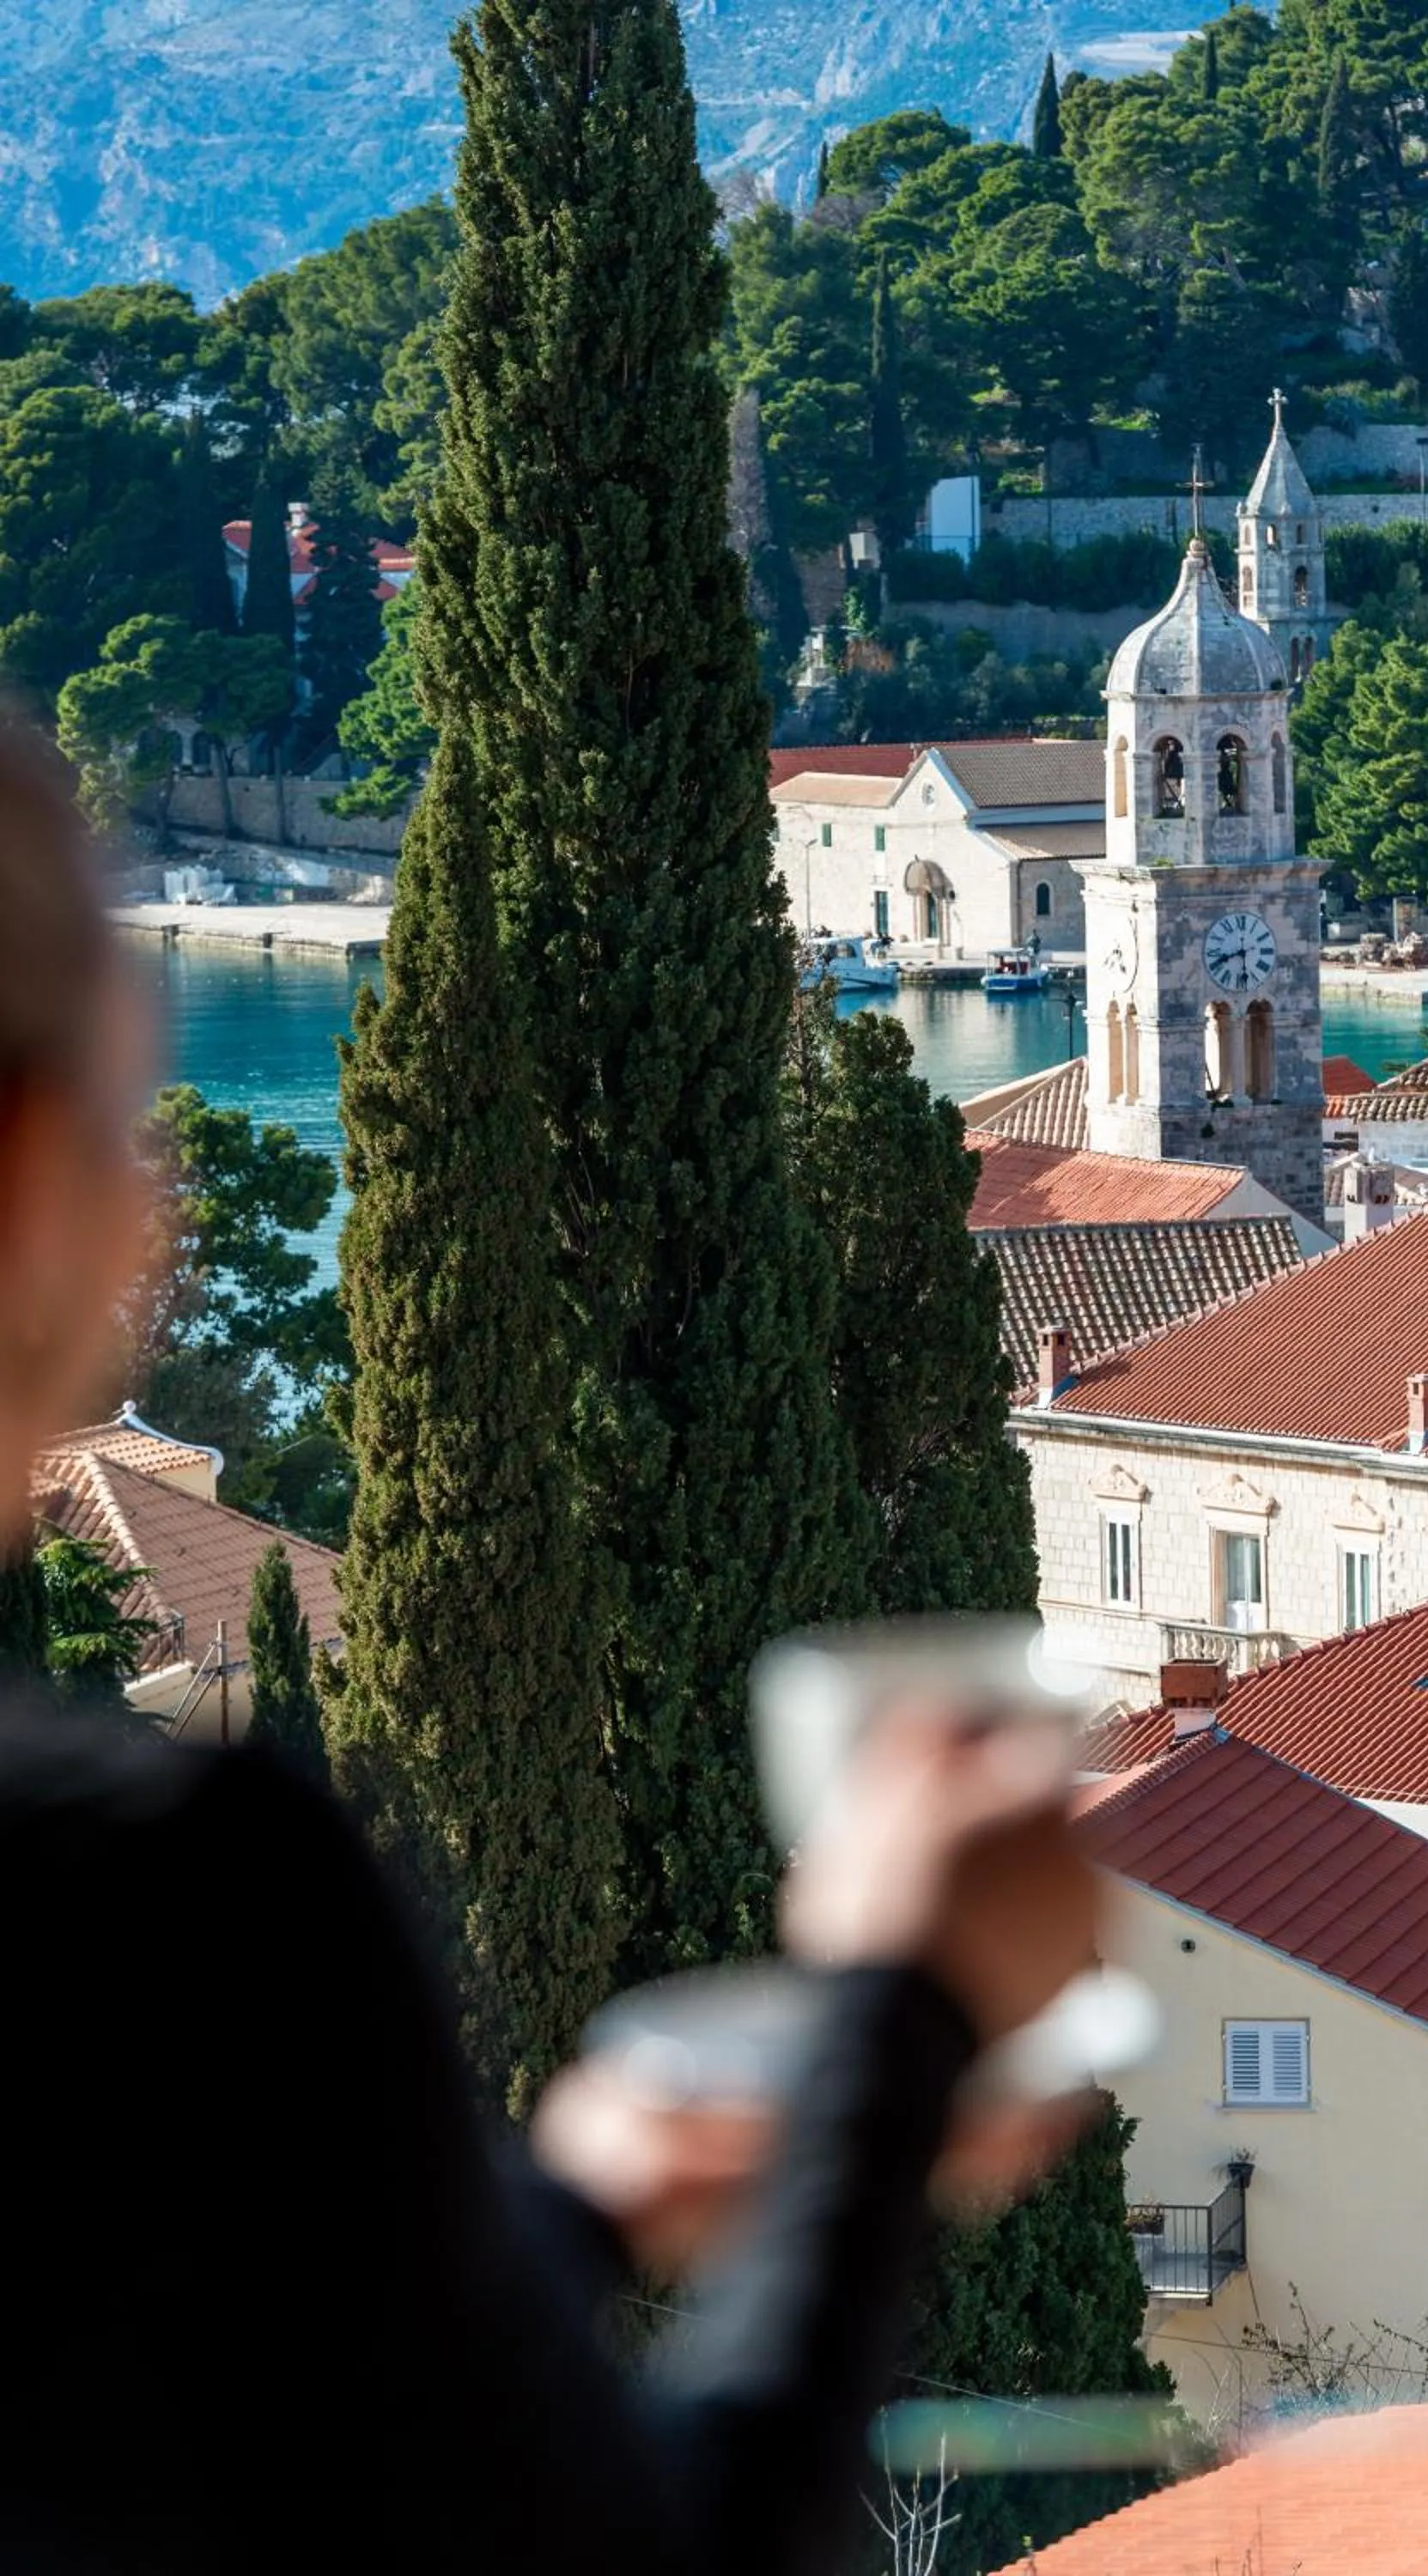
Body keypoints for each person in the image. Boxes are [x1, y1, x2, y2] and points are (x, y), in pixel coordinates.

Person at [0, 725, 1102, 2573]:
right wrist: (897, 2021)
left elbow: (184, 2387)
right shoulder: (145, 1895)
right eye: (132, 1113)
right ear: (31, 1179)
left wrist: (565, 2221)